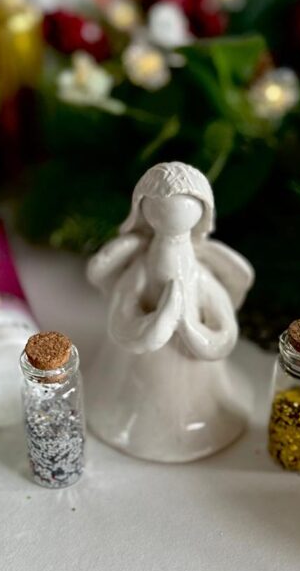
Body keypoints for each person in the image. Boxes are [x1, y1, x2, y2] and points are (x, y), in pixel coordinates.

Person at [86, 162, 253, 463]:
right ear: (143, 209)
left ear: (202, 212)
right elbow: (122, 317)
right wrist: (155, 324)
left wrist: (190, 328)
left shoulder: (200, 275)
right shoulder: (141, 269)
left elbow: (224, 332)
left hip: (196, 373)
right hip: (136, 374)